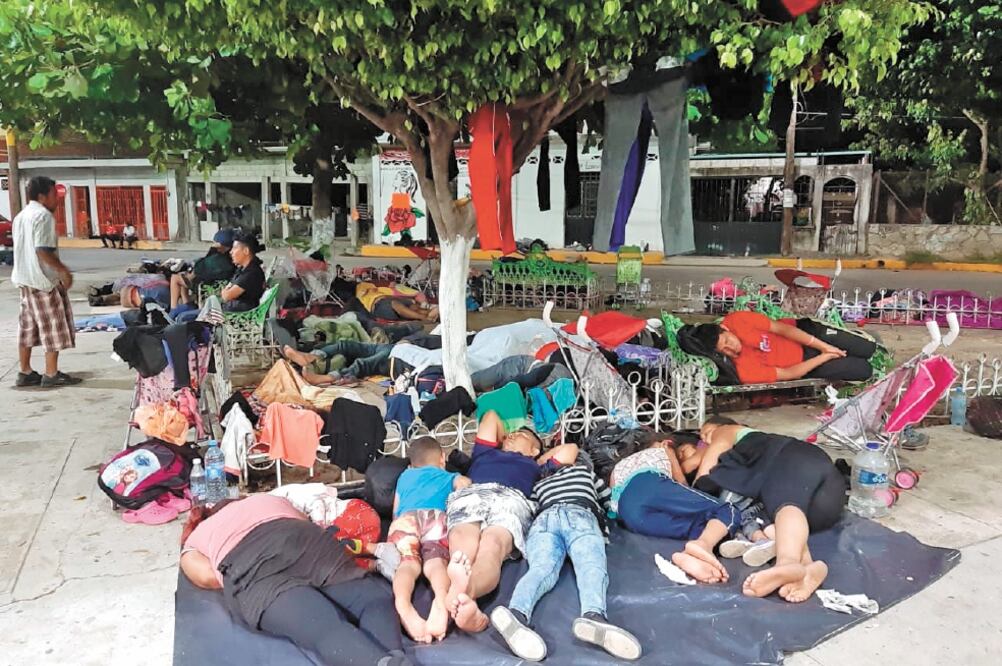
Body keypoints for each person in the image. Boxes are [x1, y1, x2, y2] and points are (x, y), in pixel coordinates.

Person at [180, 493, 412, 666]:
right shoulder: (264, 498)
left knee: (321, 626)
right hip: (303, 541)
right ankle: (395, 657)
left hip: (252, 568)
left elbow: (206, 576)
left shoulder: (199, 534)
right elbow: (304, 520)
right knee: (371, 599)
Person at [491, 451, 642, 662]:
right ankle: (593, 615)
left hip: (544, 519)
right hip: (579, 513)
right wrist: (612, 520)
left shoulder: (539, 485)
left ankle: (516, 613)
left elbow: (531, 509)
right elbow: (611, 503)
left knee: (541, 570)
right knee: (590, 565)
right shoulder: (586, 473)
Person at [679, 416, 846, 603]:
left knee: (783, 502)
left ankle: (788, 563)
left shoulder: (729, 431)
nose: (704, 438)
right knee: (782, 506)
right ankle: (806, 567)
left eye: (705, 433)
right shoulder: (755, 476)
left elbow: (707, 464)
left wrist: (695, 492)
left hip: (793, 456)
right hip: (825, 498)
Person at [445, 411, 579, 633]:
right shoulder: (485, 452)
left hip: (512, 499)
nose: (512, 436)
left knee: (492, 546)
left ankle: (466, 589)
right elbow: (491, 417)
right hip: (475, 492)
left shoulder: (536, 466)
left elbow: (570, 450)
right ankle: (462, 593)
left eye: (522, 436)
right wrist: (512, 437)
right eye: (510, 434)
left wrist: (536, 454)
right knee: (463, 539)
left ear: (535, 450)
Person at [610, 432, 747, 584]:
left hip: (628, 515)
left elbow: (613, 498)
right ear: (666, 442)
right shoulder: (663, 448)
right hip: (648, 484)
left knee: (702, 528)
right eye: (680, 453)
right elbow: (681, 482)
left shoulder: (618, 467)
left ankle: (691, 556)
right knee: (726, 510)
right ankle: (703, 546)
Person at [389, 437, 472, 642]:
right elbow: (465, 484)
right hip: (435, 518)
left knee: (407, 565)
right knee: (436, 563)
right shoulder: (447, 475)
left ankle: (403, 606)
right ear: (442, 458)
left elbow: (394, 510)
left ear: (411, 463)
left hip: (406, 519)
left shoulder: (405, 476)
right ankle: (440, 599)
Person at [12, 176, 81, 389]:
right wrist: (63, 271)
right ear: (43, 197)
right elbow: (43, 250)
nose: (57, 200)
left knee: (27, 328)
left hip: (24, 280)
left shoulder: (21, 216)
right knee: (52, 327)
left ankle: (25, 371)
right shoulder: (43, 216)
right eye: (54, 195)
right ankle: (51, 374)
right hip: (42, 282)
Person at [691, 310, 877, 384]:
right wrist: (824, 357)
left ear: (725, 328)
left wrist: (824, 346)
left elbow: (783, 329)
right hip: (807, 363)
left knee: (867, 348)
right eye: (724, 351)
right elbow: (789, 374)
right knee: (864, 370)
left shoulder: (738, 320)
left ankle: (853, 339)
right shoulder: (742, 370)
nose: (731, 350)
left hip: (806, 335)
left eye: (728, 342)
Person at [172, 231, 266, 322]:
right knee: (182, 316)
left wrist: (227, 290)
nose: (231, 252)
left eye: (234, 248)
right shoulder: (245, 269)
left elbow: (226, 295)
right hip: (229, 311)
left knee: (183, 318)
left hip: (234, 316)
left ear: (246, 251)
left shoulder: (251, 273)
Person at [169, 229, 237, 309]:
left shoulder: (217, 258)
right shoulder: (231, 256)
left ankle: (173, 308)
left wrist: (211, 251)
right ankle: (186, 303)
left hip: (205, 284)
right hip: (217, 282)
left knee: (175, 278)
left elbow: (199, 268)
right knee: (183, 278)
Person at [283, 342, 394, 384]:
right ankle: (313, 357)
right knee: (345, 345)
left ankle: (329, 377)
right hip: (393, 347)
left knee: (362, 364)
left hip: (396, 355)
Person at [356, 281, 438, 322]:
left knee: (412, 305)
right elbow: (363, 293)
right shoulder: (359, 288)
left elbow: (383, 285)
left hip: (388, 297)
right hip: (378, 304)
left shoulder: (366, 285)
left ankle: (430, 313)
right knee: (395, 304)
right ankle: (425, 318)